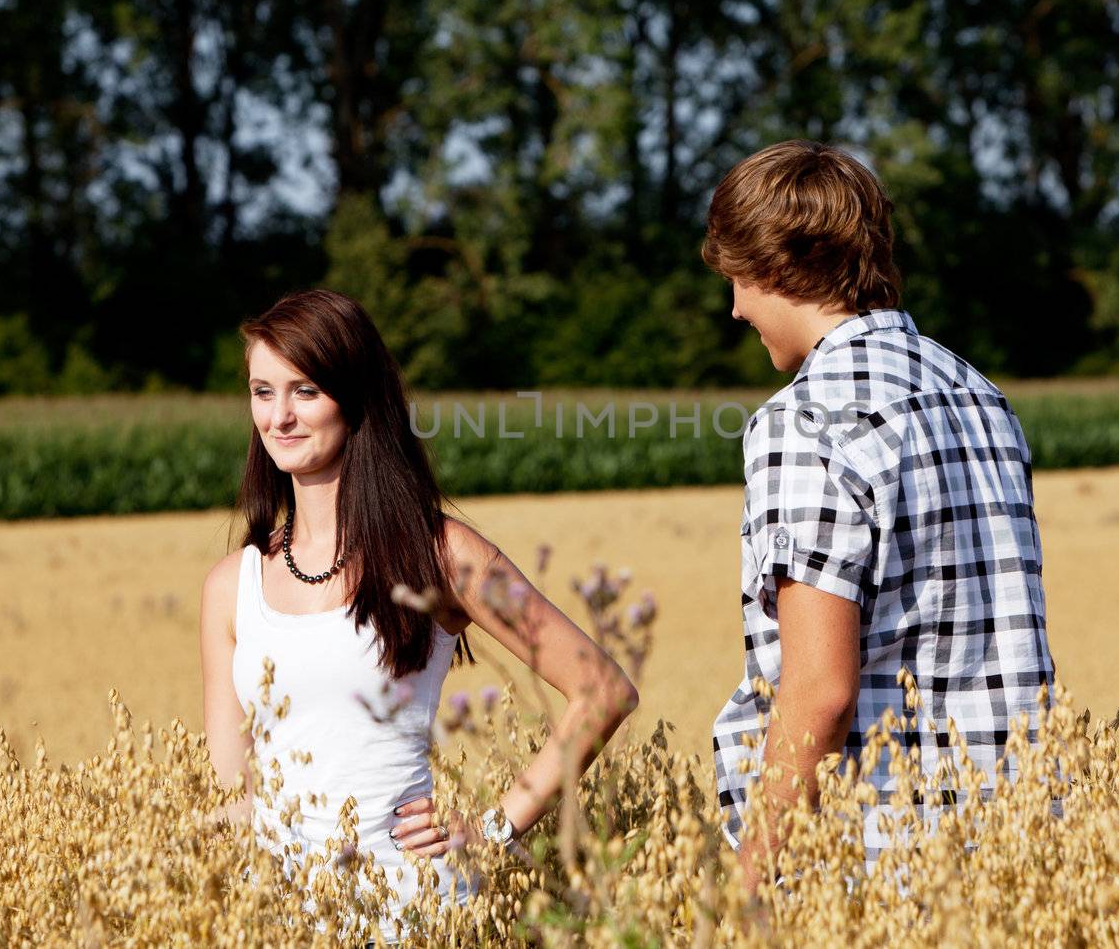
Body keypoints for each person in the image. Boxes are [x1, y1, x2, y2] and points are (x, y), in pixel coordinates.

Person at [199, 288, 639, 944]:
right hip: (281, 921)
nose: (279, 416)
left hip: (417, 912)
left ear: (356, 398)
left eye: (305, 391)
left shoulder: (443, 555)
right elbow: (230, 792)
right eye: (263, 392)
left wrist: (494, 829)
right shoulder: (232, 585)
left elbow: (602, 689)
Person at [702, 140, 1057, 891]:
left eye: (736, 279)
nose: (735, 307)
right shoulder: (978, 394)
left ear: (773, 265)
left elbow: (821, 689)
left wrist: (748, 887)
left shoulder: (804, 420)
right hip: (1022, 844)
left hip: (884, 855)